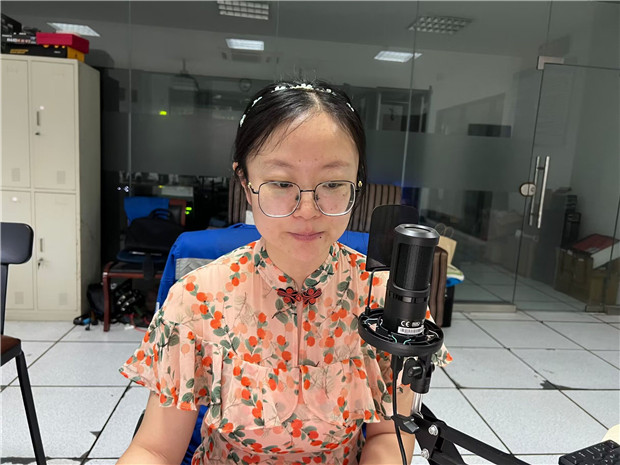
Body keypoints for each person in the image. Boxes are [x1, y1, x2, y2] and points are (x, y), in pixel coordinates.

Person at [118, 80, 451, 465]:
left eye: (332, 183)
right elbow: (155, 449)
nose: (307, 210)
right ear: (246, 185)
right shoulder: (197, 300)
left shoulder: (387, 303)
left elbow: (389, 436)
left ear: (356, 184)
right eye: (280, 183)